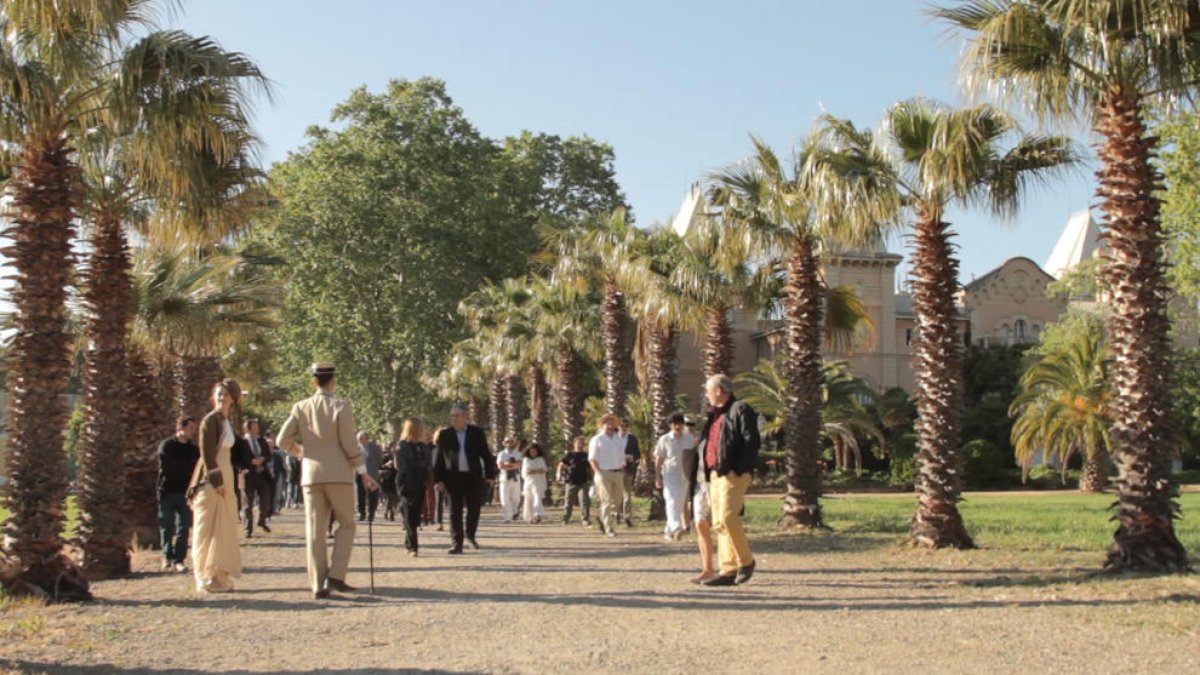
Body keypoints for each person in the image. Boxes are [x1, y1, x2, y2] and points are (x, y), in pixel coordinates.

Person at [277, 363, 379, 599]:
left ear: (314, 381)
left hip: (311, 475)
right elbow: (349, 443)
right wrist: (363, 472)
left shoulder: (300, 407)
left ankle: (317, 583)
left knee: (315, 530)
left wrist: (301, 452)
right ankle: (336, 575)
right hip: (339, 475)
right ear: (333, 381)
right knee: (346, 524)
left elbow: (282, 440)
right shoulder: (341, 406)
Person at [696, 373, 760, 587]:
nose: (706, 394)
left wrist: (741, 468)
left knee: (728, 516)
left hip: (733, 473)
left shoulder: (740, 409)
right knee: (719, 523)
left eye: (708, 390)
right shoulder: (714, 415)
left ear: (720, 391)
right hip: (714, 474)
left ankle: (746, 561)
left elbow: (752, 441)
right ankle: (728, 569)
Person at [188, 379, 245, 593]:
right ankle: (202, 576)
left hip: (227, 475)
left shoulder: (227, 421)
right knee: (204, 529)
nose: (222, 397)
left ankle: (218, 575)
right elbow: (207, 454)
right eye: (219, 393)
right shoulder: (210, 421)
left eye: (226, 394)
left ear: (233, 398)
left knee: (223, 527)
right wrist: (217, 481)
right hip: (211, 479)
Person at [432, 404, 496, 554]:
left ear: (465, 416)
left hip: (473, 477)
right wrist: (438, 479)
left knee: (474, 508)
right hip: (452, 478)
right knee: (455, 511)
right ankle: (457, 543)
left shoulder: (477, 433)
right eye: (452, 416)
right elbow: (439, 459)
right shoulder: (445, 434)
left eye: (456, 415)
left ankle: (470, 536)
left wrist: (490, 476)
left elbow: (486, 456)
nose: (453, 419)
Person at [158, 416, 199, 573]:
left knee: (183, 528)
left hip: (186, 494)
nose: (193, 431)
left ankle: (179, 560)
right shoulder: (166, 446)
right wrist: (186, 467)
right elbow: (167, 467)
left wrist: (183, 467)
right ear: (180, 428)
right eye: (190, 428)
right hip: (167, 491)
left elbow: (196, 470)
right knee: (167, 526)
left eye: (194, 428)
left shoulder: (194, 450)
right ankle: (167, 557)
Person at [654, 411, 694, 541]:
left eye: (680, 424)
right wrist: (657, 476)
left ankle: (668, 531)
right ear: (670, 425)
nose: (678, 427)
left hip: (685, 474)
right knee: (671, 499)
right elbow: (659, 458)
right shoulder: (665, 439)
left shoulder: (689, 438)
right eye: (675, 424)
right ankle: (676, 527)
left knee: (679, 502)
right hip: (670, 473)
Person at [589, 414, 630, 538]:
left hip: (617, 472)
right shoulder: (597, 439)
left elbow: (621, 455)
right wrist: (597, 472)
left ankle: (603, 518)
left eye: (612, 422)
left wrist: (622, 467)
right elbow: (592, 458)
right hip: (603, 472)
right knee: (606, 501)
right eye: (607, 422)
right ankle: (609, 528)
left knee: (617, 501)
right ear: (603, 424)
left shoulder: (619, 439)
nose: (610, 424)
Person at [394, 418, 431, 556]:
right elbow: (403, 466)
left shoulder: (423, 447)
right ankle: (413, 546)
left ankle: (408, 543)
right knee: (409, 515)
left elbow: (427, 464)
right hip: (407, 484)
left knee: (414, 516)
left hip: (420, 484)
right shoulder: (403, 446)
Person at [684, 439, 716, 584]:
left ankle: (731, 566)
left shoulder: (725, 427)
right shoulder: (703, 435)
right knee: (700, 525)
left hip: (716, 484)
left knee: (722, 527)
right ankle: (707, 569)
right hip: (700, 485)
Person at [242, 419, 273, 536]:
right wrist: (250, 461)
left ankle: (262, 521)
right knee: (247, 503)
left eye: (257, 428)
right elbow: (238, 458)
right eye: (255, 428)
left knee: (265, 499)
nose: (257, 430)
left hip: (262, 474)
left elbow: (269, 455)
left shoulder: (261, 441)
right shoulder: (242, 442)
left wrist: (263, 459)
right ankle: (247, 528)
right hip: (248, 475)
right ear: (248, 429)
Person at [557, 436, 592, 526]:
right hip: (571, 481)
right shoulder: (569, 454)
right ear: (574, 443)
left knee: (584, 501)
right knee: (568, 501)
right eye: (578, 442)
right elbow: (561, 465)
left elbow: (590, 468)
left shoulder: (586, 455)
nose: (580, 444)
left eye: (582, 442)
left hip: (583, 481)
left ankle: (585, 519)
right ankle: (565, 519)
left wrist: (591, 478)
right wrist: (559, 474)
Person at [618, 418, 641, 527]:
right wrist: (622, 456)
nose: (624, 428)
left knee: (627, 495)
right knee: (617, 494)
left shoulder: (632, 439)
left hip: (628, 469)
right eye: (622, 425)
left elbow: (638, 454)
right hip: (615, 469)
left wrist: (632, 458)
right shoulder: (613, 438)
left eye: (626, 426)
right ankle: (617, 514)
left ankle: (627, 517)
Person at [356, 431, 383, 522]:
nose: (359, 440)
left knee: (372, 496)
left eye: (361, 438)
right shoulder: (356, 448)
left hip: (372, 474)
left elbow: (380, 460)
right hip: (360, 474)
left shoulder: (374, 447)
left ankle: (371, 514)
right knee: (361, 495)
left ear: (366, 438)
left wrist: (375, 468)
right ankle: (362, 513)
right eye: (358, 439)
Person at [495, 437, 523, 523]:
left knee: (516, 498)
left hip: (515, 478)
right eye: (507, 442)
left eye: (511, 441)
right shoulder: (501, 454)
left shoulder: (518, 453)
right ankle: (507, 517)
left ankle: (515, 512)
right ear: (504, 443)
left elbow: (519, 465)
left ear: (514, 443)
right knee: (504, 498)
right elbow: (500, 466)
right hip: (504, 478)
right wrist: (511, 466)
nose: (509, 443)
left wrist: (508, 465)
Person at [521, 443, 548, 524]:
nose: (533, 453)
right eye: (532, 451)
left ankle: (537, 515)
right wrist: (538, 470)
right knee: (529, 500)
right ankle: (530, 516)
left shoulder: (541, 459)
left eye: (535, 451)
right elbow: (527, 471)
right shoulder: (526, 460)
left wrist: (535, 471)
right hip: (529, 482)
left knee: (537, 498)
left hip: (539, 482)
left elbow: (544, 469)